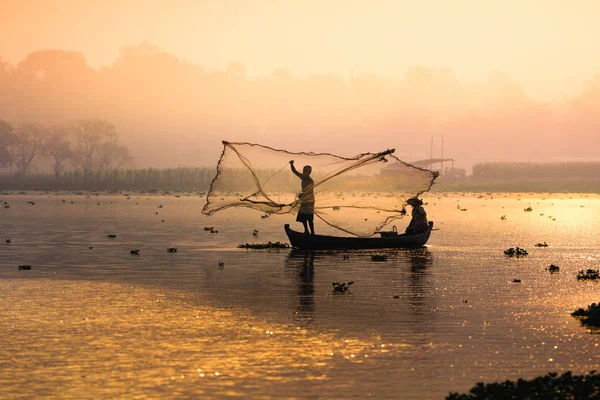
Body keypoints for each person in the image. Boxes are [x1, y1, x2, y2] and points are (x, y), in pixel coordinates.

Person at [290, 160, 315, 234]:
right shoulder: (304, 177)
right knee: (303, 216)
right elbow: (295, 171)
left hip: (309, 199)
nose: (305, 172)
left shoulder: (308, 179)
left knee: (309, 217)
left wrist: (303, 195)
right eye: (305, 170)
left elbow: (309, 191)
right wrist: (291, 164)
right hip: (306, 199)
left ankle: (312, 233)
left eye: (307, 171)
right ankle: (307, 231)